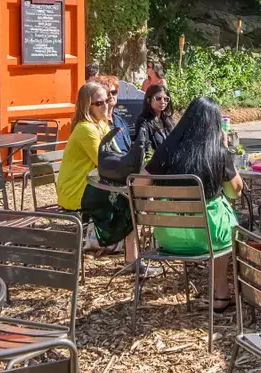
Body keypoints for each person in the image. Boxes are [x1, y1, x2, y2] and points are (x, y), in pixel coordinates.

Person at [138, 96, 243, 312]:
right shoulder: (218, 153)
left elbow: (138, 183)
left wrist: (153, 202)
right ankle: (221, 294)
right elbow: (235, 191)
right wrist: (225, 151)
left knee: (217, 221)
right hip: (209, 237)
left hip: (169, 235)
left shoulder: (167, 149)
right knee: (223, 223)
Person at [56, 82, 150, 274]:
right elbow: (107, 164)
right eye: (99, 103)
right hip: (76, 190)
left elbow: (117, 157)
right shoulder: (86, 129)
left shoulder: (101, 124)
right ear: (86, 106)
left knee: (129, 200)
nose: (106, 106)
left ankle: (129, 257)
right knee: (128, 202)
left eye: (106, 101)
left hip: (93, 183)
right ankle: (129, 257)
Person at [132, 82, 175, 162]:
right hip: (156, 165)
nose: (163, 102)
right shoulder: (143, 122)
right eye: (158, 98)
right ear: (148, 100)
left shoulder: (168, 119)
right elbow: (147, 150)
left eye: (166, 99)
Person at [92, 74, 132, 154]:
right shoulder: (96, 123)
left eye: (114, 92)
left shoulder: (119, 120)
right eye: (107, 93)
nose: (111, 96)